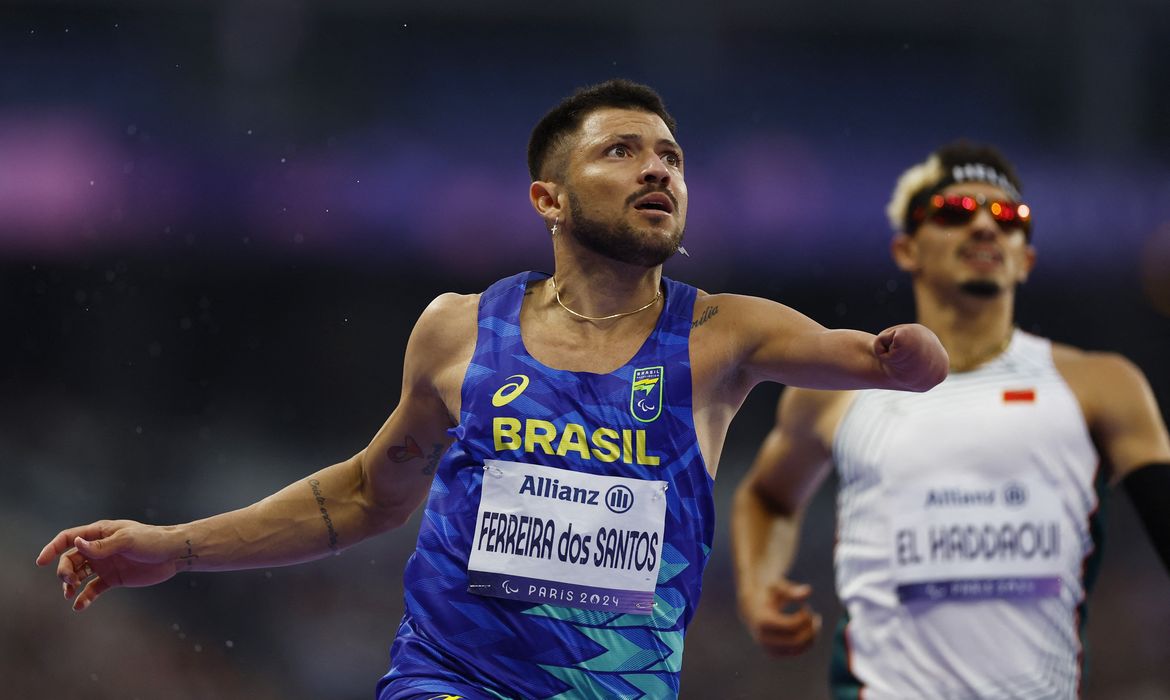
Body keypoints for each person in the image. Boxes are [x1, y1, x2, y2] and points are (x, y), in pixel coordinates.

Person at [36, 79, 948, 700]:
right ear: (549, 200)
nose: (658, 169)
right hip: (451, 678)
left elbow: (878, 360)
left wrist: (908, 358)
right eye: (623, 152)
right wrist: (175, 547)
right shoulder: (461, 330)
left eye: (670, 156)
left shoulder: (723, 335)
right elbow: (364, 494)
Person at [732, 140, 1170, 699]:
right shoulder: (836, 392)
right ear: (907, 249)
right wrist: (757, 585)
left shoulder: (1103, 387)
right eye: (956, 213)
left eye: (1009, 218)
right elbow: (769, 497)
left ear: (1025, 258)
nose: (986, 227)